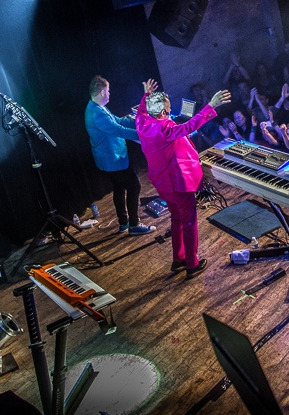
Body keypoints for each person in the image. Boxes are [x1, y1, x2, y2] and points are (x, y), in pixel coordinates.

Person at [135, 79, 231, 278]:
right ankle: (191, 264)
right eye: (169, 109)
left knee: (176, 218)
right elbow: (189, 126)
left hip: (161, 183)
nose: (171, 112)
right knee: (188, 222)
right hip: (176, 184)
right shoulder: (165, 129)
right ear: (163, 112)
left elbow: (141, 110)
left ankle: (178, 259)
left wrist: (146, 94)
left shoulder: (142, 123)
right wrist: (211, 105)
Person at [84, 75, 156, 235]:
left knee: (119, 189)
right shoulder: (97, 114)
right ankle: (134, 225)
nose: (109, 94)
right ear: (102, 92)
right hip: (113, 159)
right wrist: (146, 134)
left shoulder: (96, 107)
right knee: (134, 186)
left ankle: (124, 223)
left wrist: (140, 122)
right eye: (108, 91)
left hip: (109, 159)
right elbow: (119, 130)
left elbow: (119, 121)